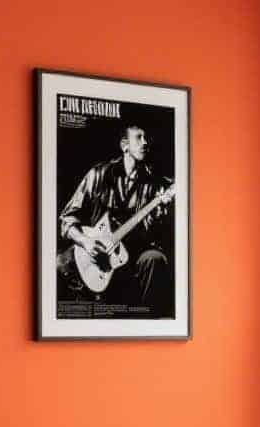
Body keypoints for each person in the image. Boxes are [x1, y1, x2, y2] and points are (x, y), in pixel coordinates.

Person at [57, 124, 174, 315]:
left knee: (155, 258)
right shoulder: (98, 174)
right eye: (139, 137)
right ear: (124, 145)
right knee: (59, 263)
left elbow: (155, 233)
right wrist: (85, 241)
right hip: (95, 251)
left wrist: (162, 211)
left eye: (147, 138)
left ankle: (146, 329)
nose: (145, 143)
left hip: (132, 253)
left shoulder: (156, 185)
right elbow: (67, 217)